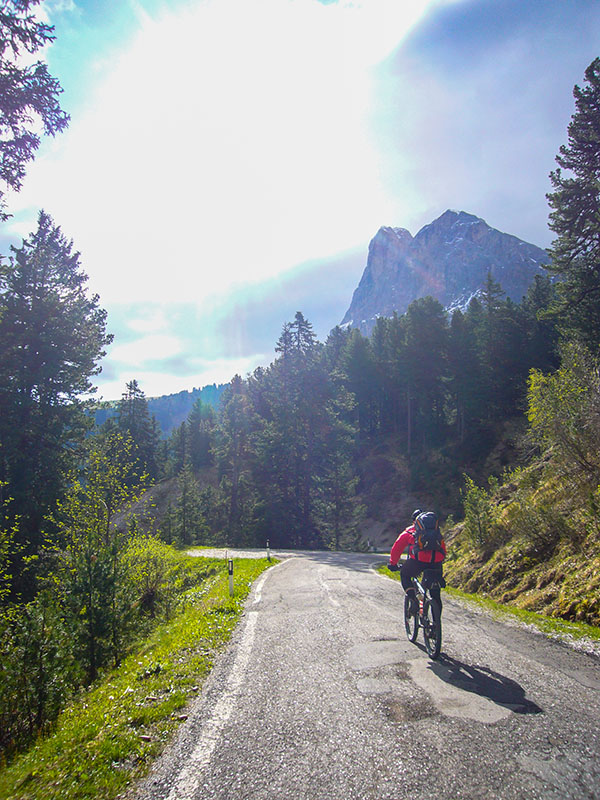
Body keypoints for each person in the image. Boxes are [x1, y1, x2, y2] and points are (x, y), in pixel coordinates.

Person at [387, 509, 446, 612]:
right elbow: (443, 548)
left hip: (418, 561)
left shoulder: (410, 531)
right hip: (436, 561)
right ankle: (436, 623)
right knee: (435, 594)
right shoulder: (436, 531)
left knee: (405, 575)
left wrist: (393, 563)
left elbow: (397, 548)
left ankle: (413, 599)